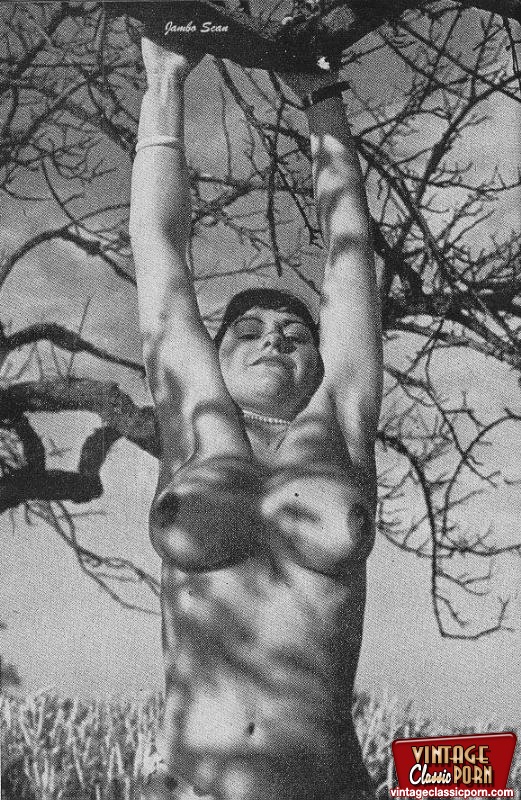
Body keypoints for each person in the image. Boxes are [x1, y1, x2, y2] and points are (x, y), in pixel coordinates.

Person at [130, 36, 382, 800]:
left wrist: (321, 98)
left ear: (318, 360)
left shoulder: (339, 426)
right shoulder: (196, 425)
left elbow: (350, 260)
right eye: (248, 331)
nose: (274, 340)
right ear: (214, 354)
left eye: (295, 334)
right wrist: (164, 78)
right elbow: (159, 252)